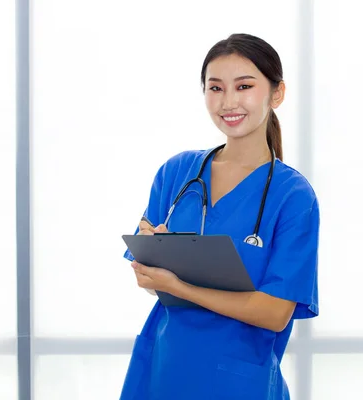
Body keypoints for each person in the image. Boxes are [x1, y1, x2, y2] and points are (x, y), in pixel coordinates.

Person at [120, 33, 320, 400]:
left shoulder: (293, 197)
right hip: (164, 369)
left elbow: (274, 312)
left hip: (239, 380)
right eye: (215, 88)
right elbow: (148, 280)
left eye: (244, 86)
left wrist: (178, 284)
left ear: (277, 94)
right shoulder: (177, 173)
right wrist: (154, 259)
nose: (228, 101)